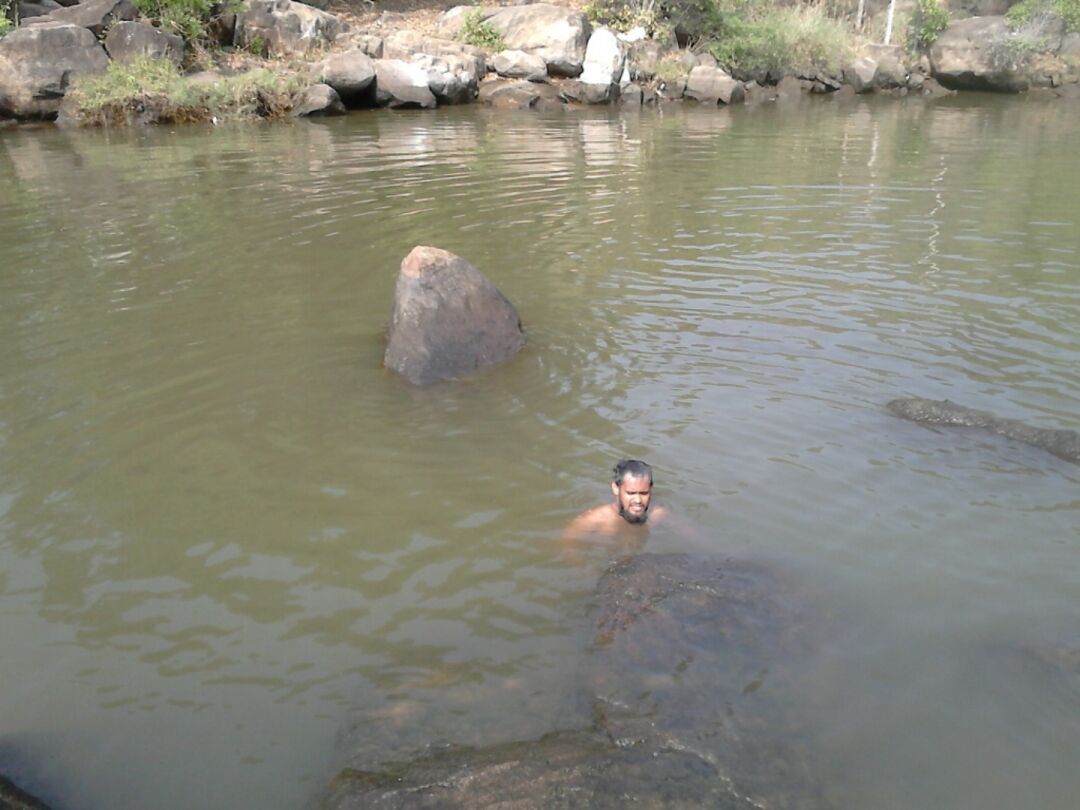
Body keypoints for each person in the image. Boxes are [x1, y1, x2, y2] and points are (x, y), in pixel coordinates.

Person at [562, 459, 669, 550]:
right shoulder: (593, 520)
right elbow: (568, 547)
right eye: (631, 493)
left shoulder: (658, 514)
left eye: (644, 493)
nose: (638, 500)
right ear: (616, 489)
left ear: (651, 489)